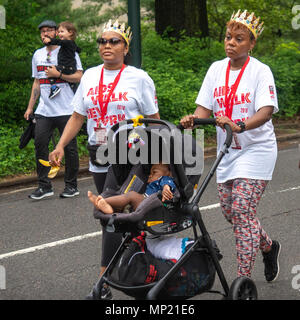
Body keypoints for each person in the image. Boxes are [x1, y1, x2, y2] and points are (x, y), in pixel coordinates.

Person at [49, 19, 160, 299]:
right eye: (102, 41)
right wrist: (61, 145)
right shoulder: (89, 76)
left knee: (115, 215)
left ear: (125, 47)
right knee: (113, 217)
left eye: (114, 41)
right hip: (100, 158)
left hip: (134, 158)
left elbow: (155, 122)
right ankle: (122, 277)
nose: (106, 46)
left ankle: (107, 283)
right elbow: (78, 116)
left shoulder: (139, 77)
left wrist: (160, 162)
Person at [180, 10, 281, 282]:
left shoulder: (260, 71)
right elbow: (204, 109)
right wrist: (194, 120)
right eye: (228, 37)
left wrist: (240, 125)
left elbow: (266, 110)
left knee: (241, 210)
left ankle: (242, 280)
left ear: (251, 43)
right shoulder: (215, 69)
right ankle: (268, 247)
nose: (231, 43)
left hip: (257, 149)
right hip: (228, 152)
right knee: (232, 214)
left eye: (239, 39)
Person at [24, 20, 83, 200]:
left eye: (48, 31)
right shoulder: (38, 55)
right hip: (44, 110)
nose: (45, 34)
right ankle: (44, 186)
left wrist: (59, 75)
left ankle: (71, 186)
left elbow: (80, 76)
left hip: (67, 108)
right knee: (40, 144)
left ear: (56, 33)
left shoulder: (67, 50)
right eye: (42, 32)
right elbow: (37, 81)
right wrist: (30, 107)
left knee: (70, 148)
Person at [87, 163, 176, 214]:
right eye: (150, 173)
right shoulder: (155, 181)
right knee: (123, 204)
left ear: (169, 173)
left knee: (131, 195)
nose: (150, 175)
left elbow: (167, 183)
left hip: (151, 204)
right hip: (144, 201)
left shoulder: (165, 179)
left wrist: (166, 188)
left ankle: (103, 201)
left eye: (155, 172)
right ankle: (109, 208)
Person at [44, 21, 81, 99]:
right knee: (72, 85)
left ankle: (54, 87)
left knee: (50, 70)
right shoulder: (72, 44)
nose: (59, 34)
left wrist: (50, 40)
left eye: (62, 31)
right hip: (70, 68)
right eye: (58, 32)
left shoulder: (67, 43)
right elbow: (78, 49)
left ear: (70, 32)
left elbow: (58, 42)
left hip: (65, 67)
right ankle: (76, 93)